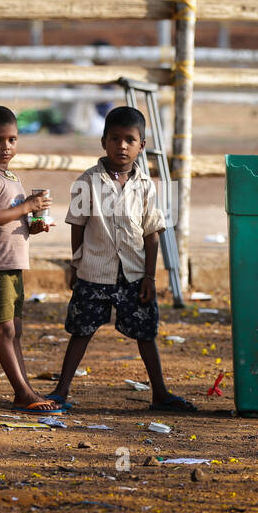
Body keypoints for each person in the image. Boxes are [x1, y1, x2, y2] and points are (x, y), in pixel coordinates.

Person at [46, 106, 195, 412]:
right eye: (115, 138)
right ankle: (61, 391)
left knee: (146, 333)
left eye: (130, 139)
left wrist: (150, 278)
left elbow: (152, 234)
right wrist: (76, 264)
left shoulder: (146, 186)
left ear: (142, 145)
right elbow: (78, 224)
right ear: (103, 141)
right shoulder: (86, 182)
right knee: (81, 330)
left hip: (135, 275)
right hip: (93, 272)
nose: (122, 146)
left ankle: (160, 394)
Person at [0, 106, 59, 414]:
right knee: (4, 330)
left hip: (14, 263)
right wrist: (28, 207)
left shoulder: (13, 177)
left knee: (16, 330)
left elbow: (12, 222)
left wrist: (33, 224)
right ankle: (21, 391)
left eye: (12, 139)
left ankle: (25, 390)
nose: (6, 147)